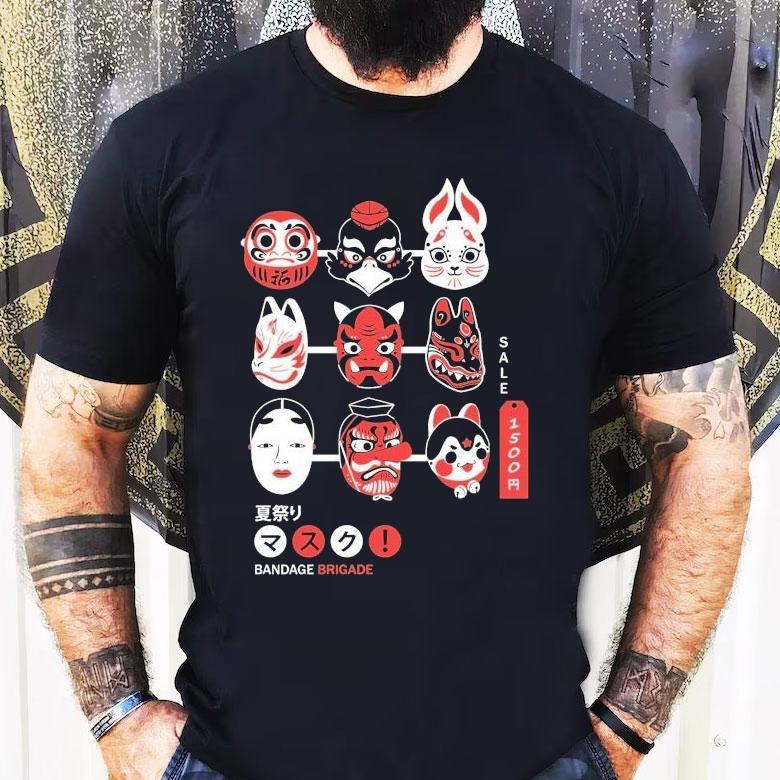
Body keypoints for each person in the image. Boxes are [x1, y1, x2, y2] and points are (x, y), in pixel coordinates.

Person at [19, 1, 750, 778]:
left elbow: (702, 449)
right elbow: (74, 432)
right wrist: (117, 715)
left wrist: (628, 726)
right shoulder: (165, 149)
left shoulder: (614, 161)